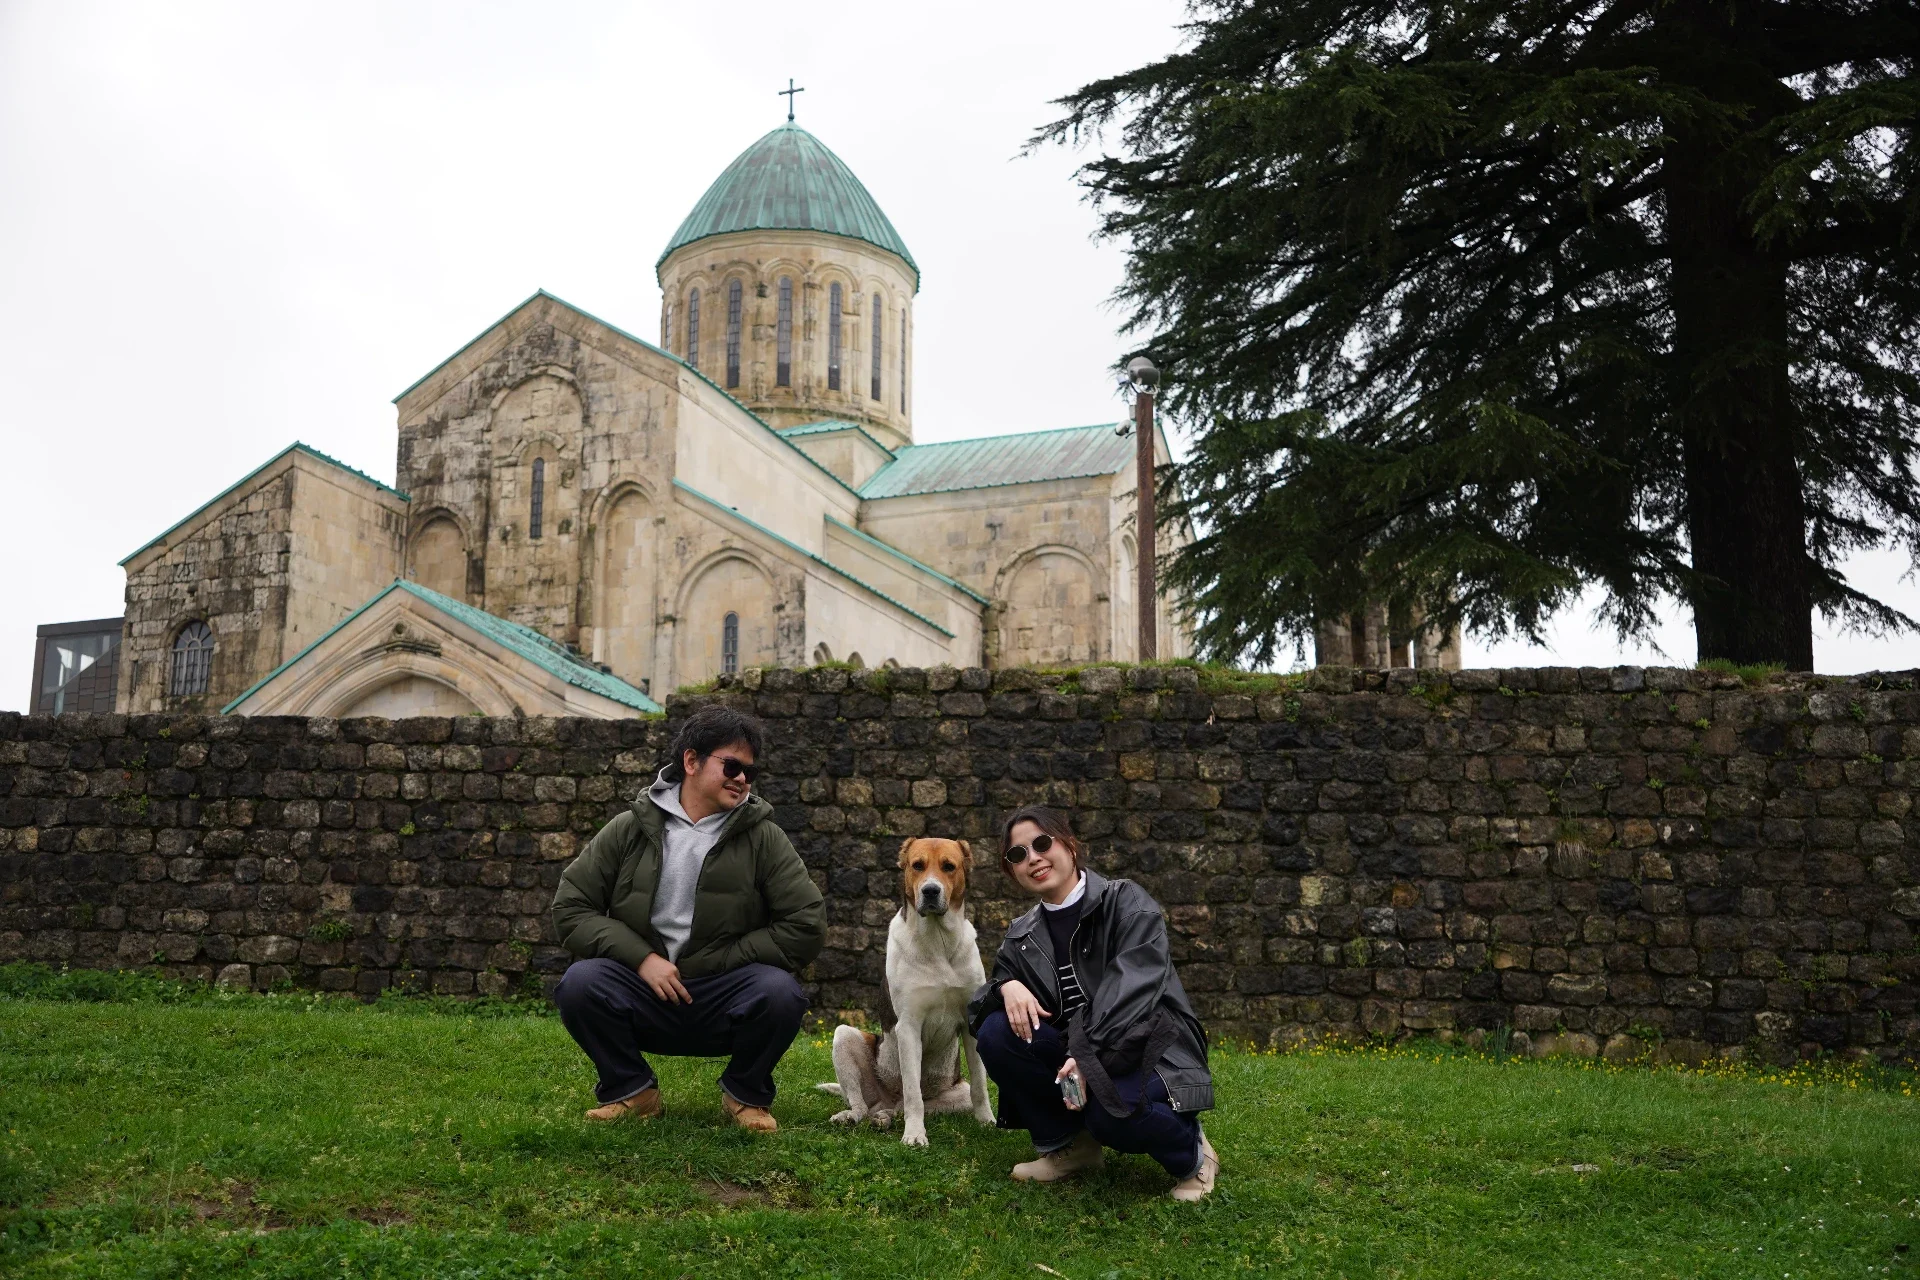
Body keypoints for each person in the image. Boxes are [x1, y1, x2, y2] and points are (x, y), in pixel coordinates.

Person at [551, 704, 824, 1133]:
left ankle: (745, 1096)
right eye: (732, 765)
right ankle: (633, 1091)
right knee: (581, 983)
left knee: (780, 994)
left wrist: (721, 961)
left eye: (750, 772)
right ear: (691, 761)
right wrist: (643, 959)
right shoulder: (629, 828)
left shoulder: (764, 837)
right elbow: (570, 908)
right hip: (644, 987)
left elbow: (806, 922)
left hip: (721, 989)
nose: (741, 779)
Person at [966, 804, 1220, 1200]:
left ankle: (1193, 1156)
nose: (1032, 858)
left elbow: (1134, 986)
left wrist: (1088, 1054)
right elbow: (977, 1009)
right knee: (998, 1032)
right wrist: (1004, 987)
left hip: (1150, 1048)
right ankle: (1071, 1146)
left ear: (1067, 843)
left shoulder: (1127, 901)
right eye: (1017, 854)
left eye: (1041, 843)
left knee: (1110, 1111)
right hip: (1078, 1058)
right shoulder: (1020, 937)